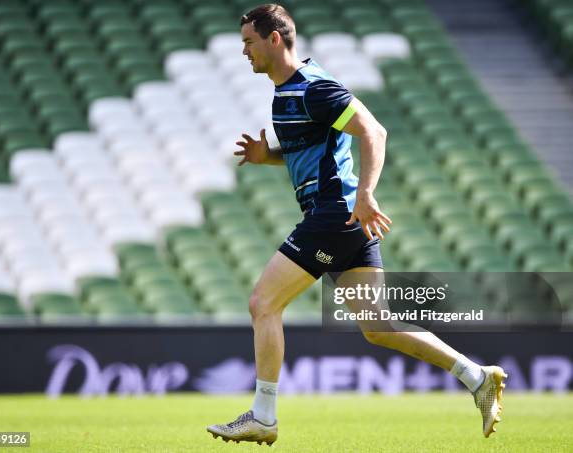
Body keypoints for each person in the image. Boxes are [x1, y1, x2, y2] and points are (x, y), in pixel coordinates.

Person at [207, 4, 506, 446]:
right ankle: (476, 376)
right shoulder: (286, 92)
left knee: (262, 303)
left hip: (336, 213)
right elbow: (309, 148)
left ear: (274, 39)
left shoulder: (314, 88)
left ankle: (264, 416)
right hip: (341, 217)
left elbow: (374, 131)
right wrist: (265, 155)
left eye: (249, 41)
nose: (244, 51)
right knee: (379, 326)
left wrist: (365, 194)